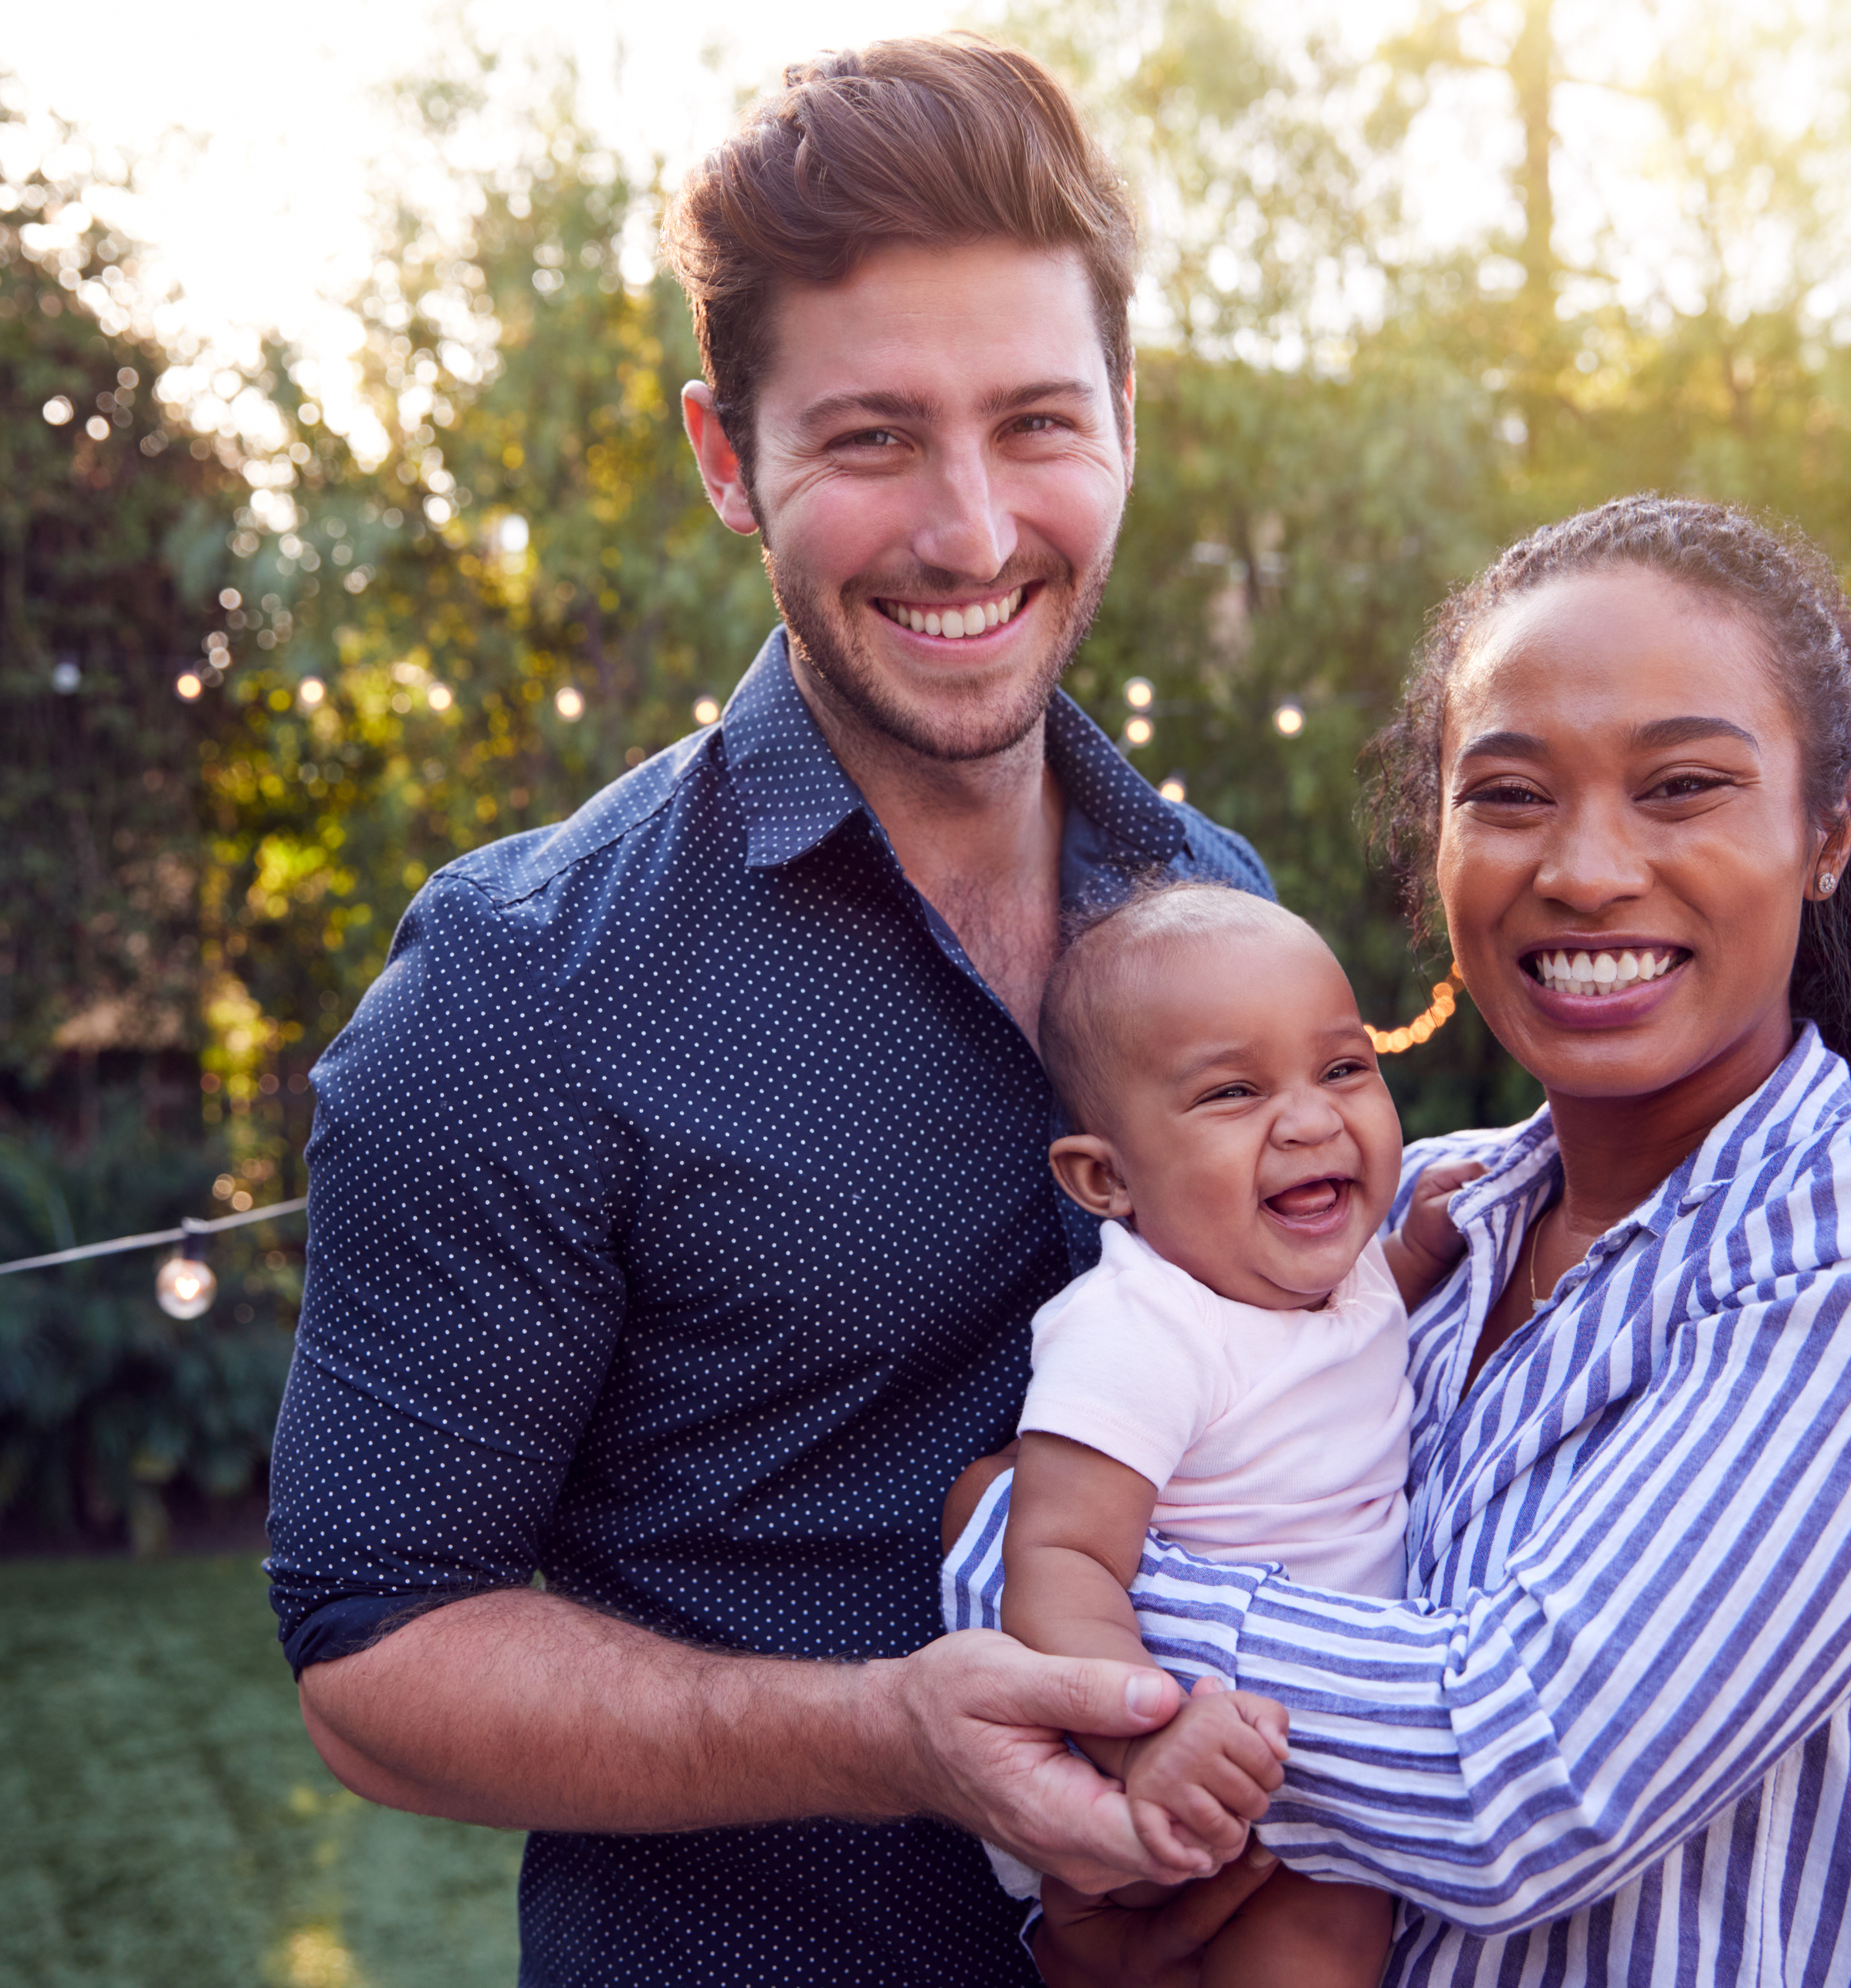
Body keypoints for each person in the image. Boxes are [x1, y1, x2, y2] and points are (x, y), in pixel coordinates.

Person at [266, 36, 1280, 1986]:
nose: (973, 532)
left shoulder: (1213, 901)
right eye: (875, 437)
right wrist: (885, 1734)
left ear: (1130, 419)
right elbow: (377, 1659)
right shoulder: (515, 991)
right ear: (728, 458)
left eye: (1038, 424)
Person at [946, 495, 1851, 1986]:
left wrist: (1009, 1546)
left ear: (1830, 835)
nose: (1584, 871)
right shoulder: (1394, 1226)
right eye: (1506, 795)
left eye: (1684, 785)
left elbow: (1515, 1782)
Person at [991, 884, 1484, 1986]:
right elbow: (1059, 1558)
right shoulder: (1139, 1334)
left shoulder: (1342, 1277)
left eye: (1345, 1068)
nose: (1313, 1119)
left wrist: (1423, 1251)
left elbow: (1344, 1339)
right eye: (1234, 1091)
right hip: (1201, 1771)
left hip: (1313, 1753)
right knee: (1321, 1947)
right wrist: (1143, 1738)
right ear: (1105, 1178)